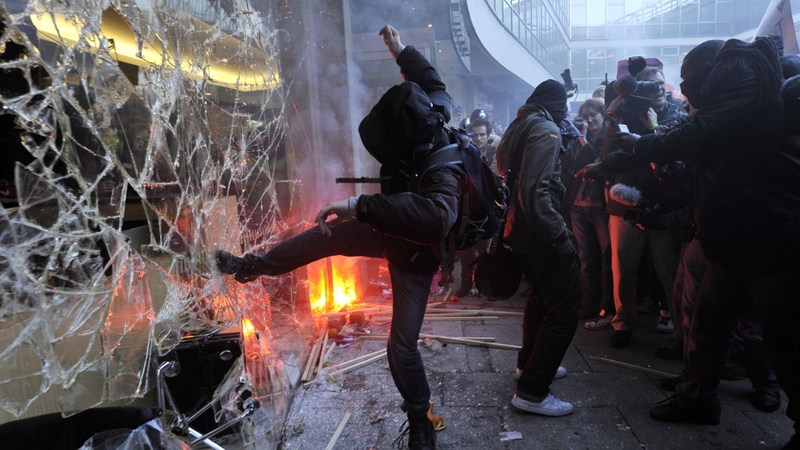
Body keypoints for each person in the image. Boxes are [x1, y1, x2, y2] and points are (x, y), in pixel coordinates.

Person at [216, 25, 458, 450]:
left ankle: (420, 421)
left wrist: (359, 207)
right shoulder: (433, 105)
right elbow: (431, 78)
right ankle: (252, 268)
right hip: (389, 229)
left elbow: (436, 218)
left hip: (417, 254)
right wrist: (400, 50)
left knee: (400, 347)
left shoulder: (443, 171)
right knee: (325, 236)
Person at [580, 38, 800, 448]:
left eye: (685, 79)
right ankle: (698, 398)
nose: (682, 88)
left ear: (708, 70)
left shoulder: (743, 80)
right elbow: (690, 154)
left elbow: (690, 136)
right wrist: (615, 162)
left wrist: (636, 146)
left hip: (770, 239)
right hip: (734, 238)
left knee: (782, 341)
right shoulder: (730, 98)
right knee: (705, 326)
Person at [495, 79, 580, 417]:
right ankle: (532, 390)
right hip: (540, 236)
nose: (566, 112)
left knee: (539, 299)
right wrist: (560, 237)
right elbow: (535, 192)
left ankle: (528, 365)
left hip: (520, 233)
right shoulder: (546, 129)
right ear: (554, 104)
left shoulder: (519, 125)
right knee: (565, 309)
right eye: (564, 105)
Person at [600, 66, 685, 348]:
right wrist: (613, 119)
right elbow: (607, 156)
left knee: (670, 272)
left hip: (664, 204)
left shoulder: (679, 115)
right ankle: (623, 322)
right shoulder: (626, 115)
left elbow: (677, 155)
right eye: (648, 86)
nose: (657, 89)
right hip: (625, 201)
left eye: (660, 83)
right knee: (622, 270)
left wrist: (653, 129)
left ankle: (682, 332)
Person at [564, 98, 614, 328]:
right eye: (586, 116)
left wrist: (582, 139)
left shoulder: (609, 139)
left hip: (602, 208)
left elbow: (598, 162)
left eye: (594, 115)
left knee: (606, 258)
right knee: (586, 259)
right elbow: (572, 166)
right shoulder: (579, 138)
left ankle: (607, 306)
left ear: (603, 115)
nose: (590, 120)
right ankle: (588, 304)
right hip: (579, 206)